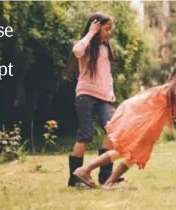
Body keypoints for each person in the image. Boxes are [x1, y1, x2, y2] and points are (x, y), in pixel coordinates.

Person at [72, 60, 176, 190]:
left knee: (133, 155)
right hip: (144, 121)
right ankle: (85, 170)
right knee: (123, 150)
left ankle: (109, 182)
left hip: (149, 124)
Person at [67, 12, 119, 187]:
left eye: (110, 29)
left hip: (104, 97)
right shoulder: (87, 45)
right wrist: (90, 33)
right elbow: (76, 50)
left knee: (113, 131)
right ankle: (75, 179)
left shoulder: (105, 49)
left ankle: (106, 177)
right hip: (86, 95)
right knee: (86, 134)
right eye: (106, 29)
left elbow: (107, 75)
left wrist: (110, 92)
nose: (108, 33)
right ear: (96, 28)